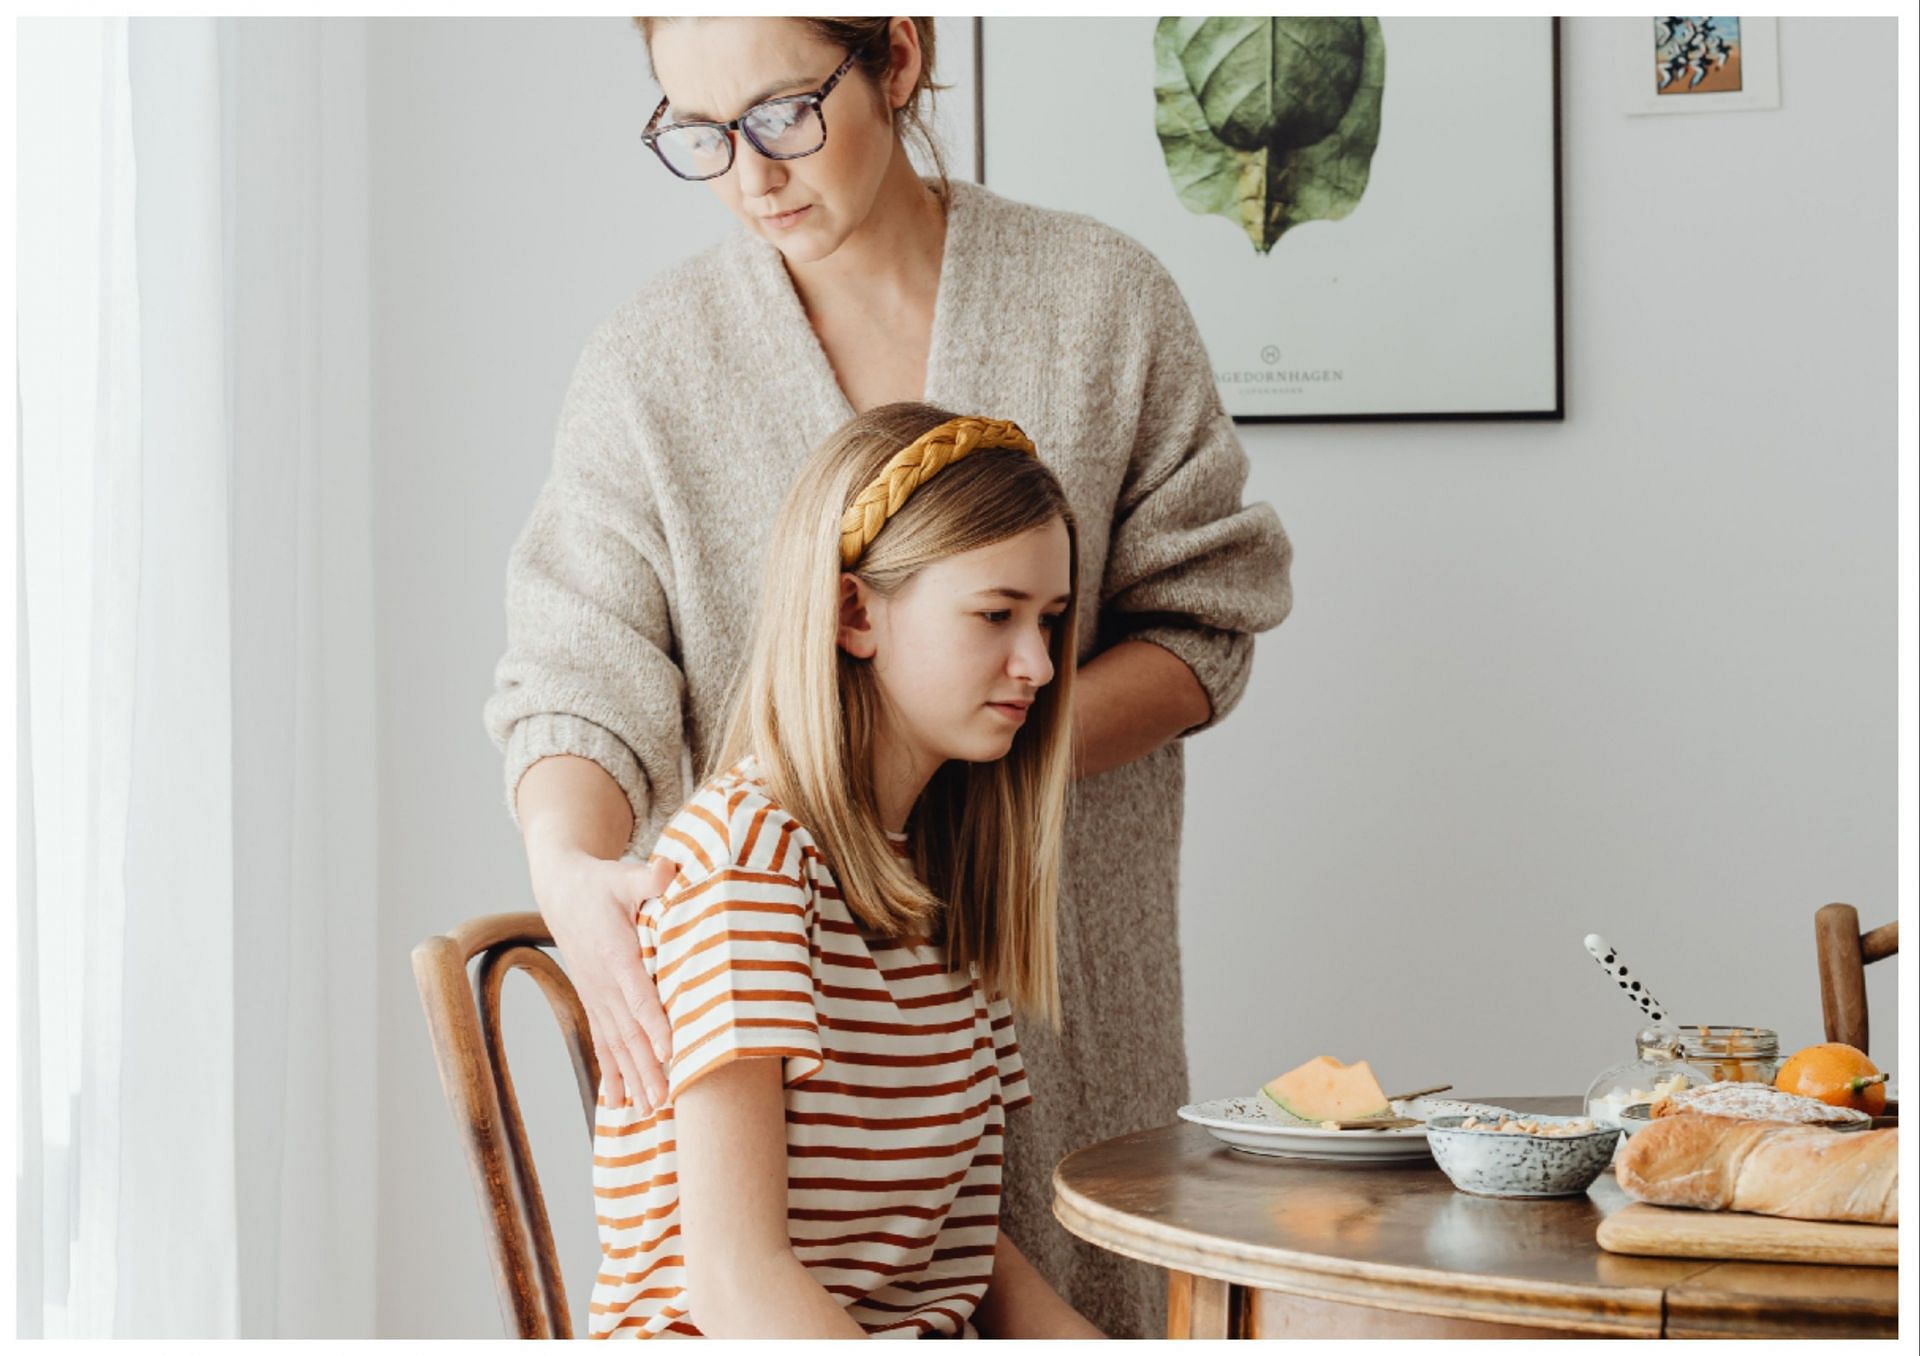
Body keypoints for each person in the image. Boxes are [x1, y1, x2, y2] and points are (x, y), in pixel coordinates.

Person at [485, 16, 1292, 1337]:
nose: (750, 174)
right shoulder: (652, 364)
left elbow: (1208, 620)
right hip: (793, 1012)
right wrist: (571, 872)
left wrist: (986, 745)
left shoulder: (1100, 301)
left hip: (1045, 961)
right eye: (698, 134)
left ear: (897, 61)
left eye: (784, 113)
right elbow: (577, 663)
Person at [589, 405, 1101, 1338]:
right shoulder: (746, 863)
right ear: (854, 612)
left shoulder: (950, 874)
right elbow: (737, 1284)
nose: (1037, 664)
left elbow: (962, 1240)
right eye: (996, 615)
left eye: (1051, 620)